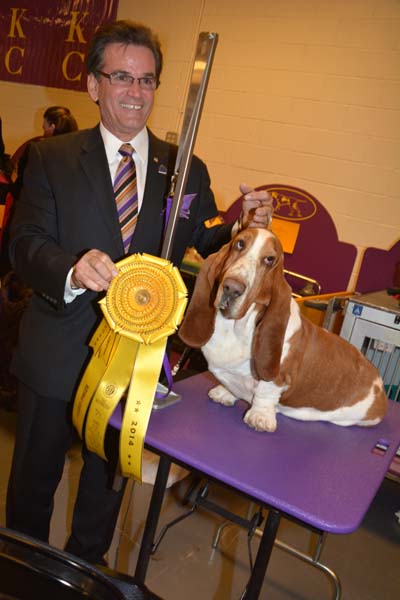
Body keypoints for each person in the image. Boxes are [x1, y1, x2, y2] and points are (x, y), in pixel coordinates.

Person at [6, 20, 273, 565]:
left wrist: (242, 229)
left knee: (106, 487)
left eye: (147, 80)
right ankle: (23, 572)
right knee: (33, 485)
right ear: (93, 85)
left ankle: (86, 573)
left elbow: (205, 239)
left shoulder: (184, 168)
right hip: (56, 355)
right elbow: (23, 244)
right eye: (121, 77)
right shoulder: (51, 158)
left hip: (134, 364)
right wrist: (72, 267)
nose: (135, 92)